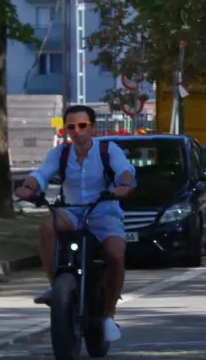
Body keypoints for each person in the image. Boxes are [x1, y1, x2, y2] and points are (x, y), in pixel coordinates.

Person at [14, 104, 136, 342]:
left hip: (103, 212)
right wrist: (28, 188)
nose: (77, 131)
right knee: (46, 226)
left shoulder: (107, 150)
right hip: (71, 212)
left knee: (115, 255)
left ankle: (108, 316)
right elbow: (41, 174)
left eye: (82, 125)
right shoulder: (60, 153)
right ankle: (56, 286)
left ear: (92, 128)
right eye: (71, 127)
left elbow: (124, 170)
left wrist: (123, 185)